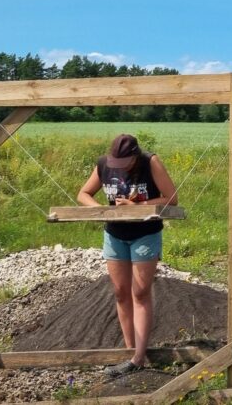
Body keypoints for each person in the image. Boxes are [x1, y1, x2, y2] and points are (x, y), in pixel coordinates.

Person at [78, 134, 179, 377]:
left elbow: (172, 199)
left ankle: (138, 357)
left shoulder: (150, 162)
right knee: (121, 293)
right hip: (114, 234)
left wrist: (138, 207)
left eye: (125, 163)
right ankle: (130, 351)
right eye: (117, 164)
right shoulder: (104, 164)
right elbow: (83, 193)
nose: (120, 168)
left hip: (145, 233)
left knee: (140, 292)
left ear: (135, 156)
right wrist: (102, 210)